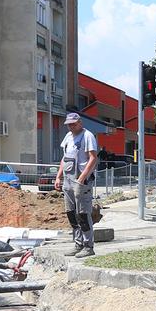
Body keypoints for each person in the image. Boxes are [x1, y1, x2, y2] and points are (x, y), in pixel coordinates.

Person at [54, 111, 99, 258]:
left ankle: (88, 246)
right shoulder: (68, 137)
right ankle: (78, 243)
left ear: (80, 123)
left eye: (73, 124)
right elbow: (65, 158)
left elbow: (93, 158)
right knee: (71, 213)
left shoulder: (88, 136)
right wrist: (58, 176)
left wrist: (82, 178)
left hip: (81, 180)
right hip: (68, 180)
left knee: (83, 214)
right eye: (69, 125)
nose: (71, 127)